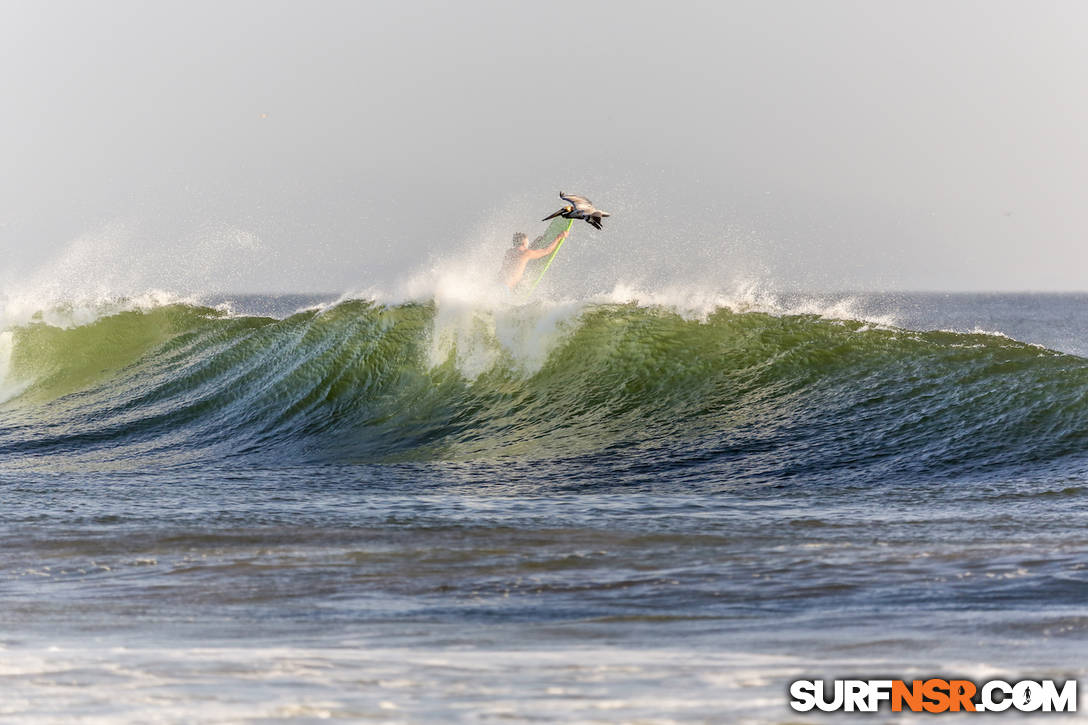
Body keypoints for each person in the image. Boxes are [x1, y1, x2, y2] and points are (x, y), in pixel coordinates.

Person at [499, 228, 569, 290]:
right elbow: (547, 251)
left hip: (498, 283)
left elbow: (523, 252)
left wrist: (535, 243)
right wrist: (559, 237)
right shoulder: (526, 253)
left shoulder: (509, 252)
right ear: (524, 242)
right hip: (505, 288)